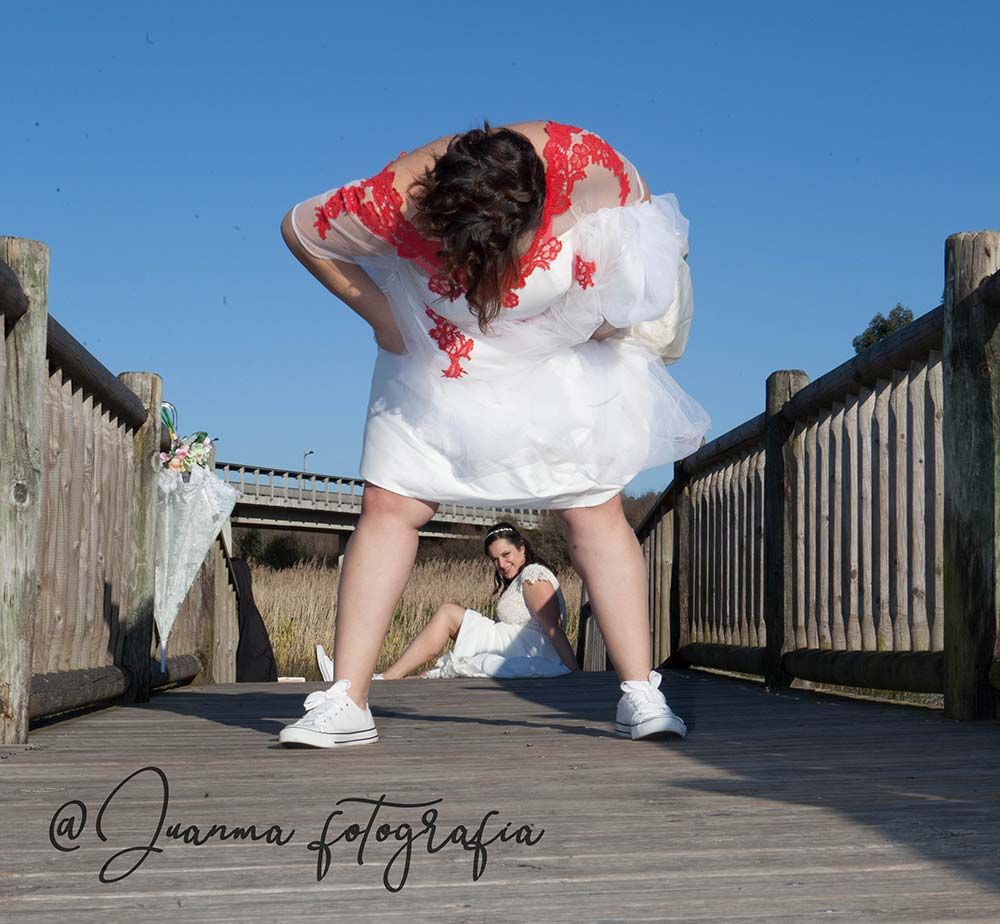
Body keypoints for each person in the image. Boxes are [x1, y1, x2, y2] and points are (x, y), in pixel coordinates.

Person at [277, 119, 710, 749]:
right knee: (391, 504)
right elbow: (299, 230)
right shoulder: (390, 201)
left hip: (556, 345)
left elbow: (649, 234)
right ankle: (347, 699)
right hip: (439, 349)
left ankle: (640, 692)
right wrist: (384, 321)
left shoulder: (589, 166)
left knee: (593, 507)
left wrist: (606, 317)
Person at [315, 522, 579, 686]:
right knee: (444, 665)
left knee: (447, 614)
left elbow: (553, 627)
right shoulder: (521, 578)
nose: (501, 563)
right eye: (494, 559)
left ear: (522, 548)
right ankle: (369, 679)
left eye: (506, 554)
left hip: (528, 650)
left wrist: (575, 673)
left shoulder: (533, 576)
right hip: (512, 644)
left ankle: (382, 678)